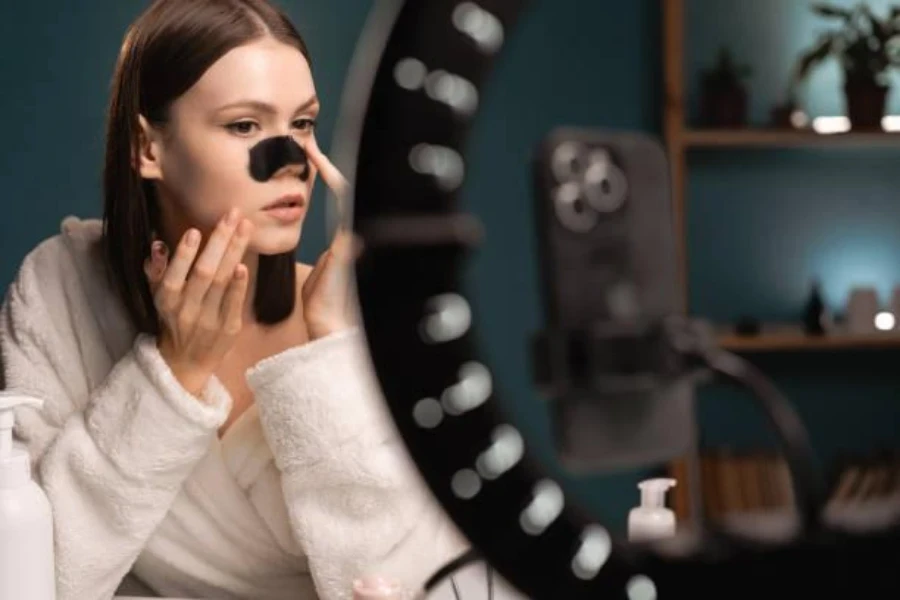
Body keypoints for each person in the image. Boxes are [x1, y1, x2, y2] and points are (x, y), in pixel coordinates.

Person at [0, 1, 467, 598]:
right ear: (148, 149)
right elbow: (35, 577)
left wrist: (334, 347)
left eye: (301, 125)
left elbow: (412, 584)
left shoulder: (355, 313)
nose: (290, 160)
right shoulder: (61, 289)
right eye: (245, 126)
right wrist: (172, 374)